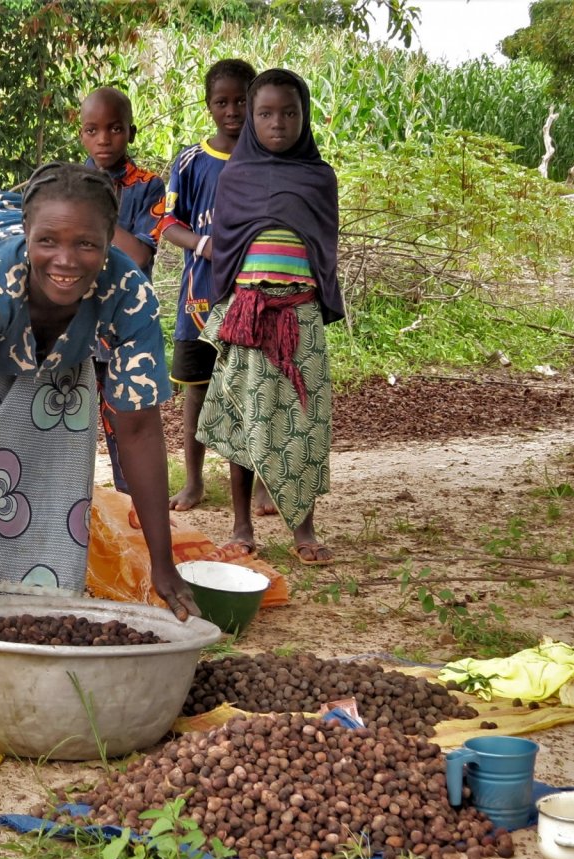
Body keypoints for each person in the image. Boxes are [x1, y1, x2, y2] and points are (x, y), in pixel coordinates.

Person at [0, 163, 199, 622]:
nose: (66, 260)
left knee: (55, 431)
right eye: (48, 241)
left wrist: (163, 563)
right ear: (26, 233)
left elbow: (138, 429)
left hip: (51, 321)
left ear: (109, 241)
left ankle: (36, 579)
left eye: (87, 244)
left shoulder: (128, 293)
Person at [197, 69, 342, 566]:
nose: (277, 123)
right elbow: (229, 250)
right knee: (244, 417)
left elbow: (324, 250)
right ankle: (241, 527)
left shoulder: (320, 179)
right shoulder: (235, 177)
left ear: (304, 116)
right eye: (265, 114)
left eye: (289, 113)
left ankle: (304, 528)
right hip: (250, 317)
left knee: (303, 421)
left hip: (299, 317)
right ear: (252, 120)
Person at [159, 59, 273, 517]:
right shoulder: (190, 160)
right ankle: (193, 482)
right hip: (200, 300)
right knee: (198, 392)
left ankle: (262, 486)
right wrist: (202, 244)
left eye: (242, 101)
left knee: (254, 391)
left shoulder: (270, 158)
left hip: (254, 298)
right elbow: (167, 221)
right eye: (221, 102)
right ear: (208, 106)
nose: (233, 110)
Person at [78, 86, 165, 495]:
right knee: (67, 423)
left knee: (129, 423)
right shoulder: (68, 182)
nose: (104, 139)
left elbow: (139, 255)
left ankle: (136, 510)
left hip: (127, 327)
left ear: (130, 131)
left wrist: (95, 211)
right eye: (92, 130)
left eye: (114, 129)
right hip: (75, 324)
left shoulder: (148, 187)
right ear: (82, 135)